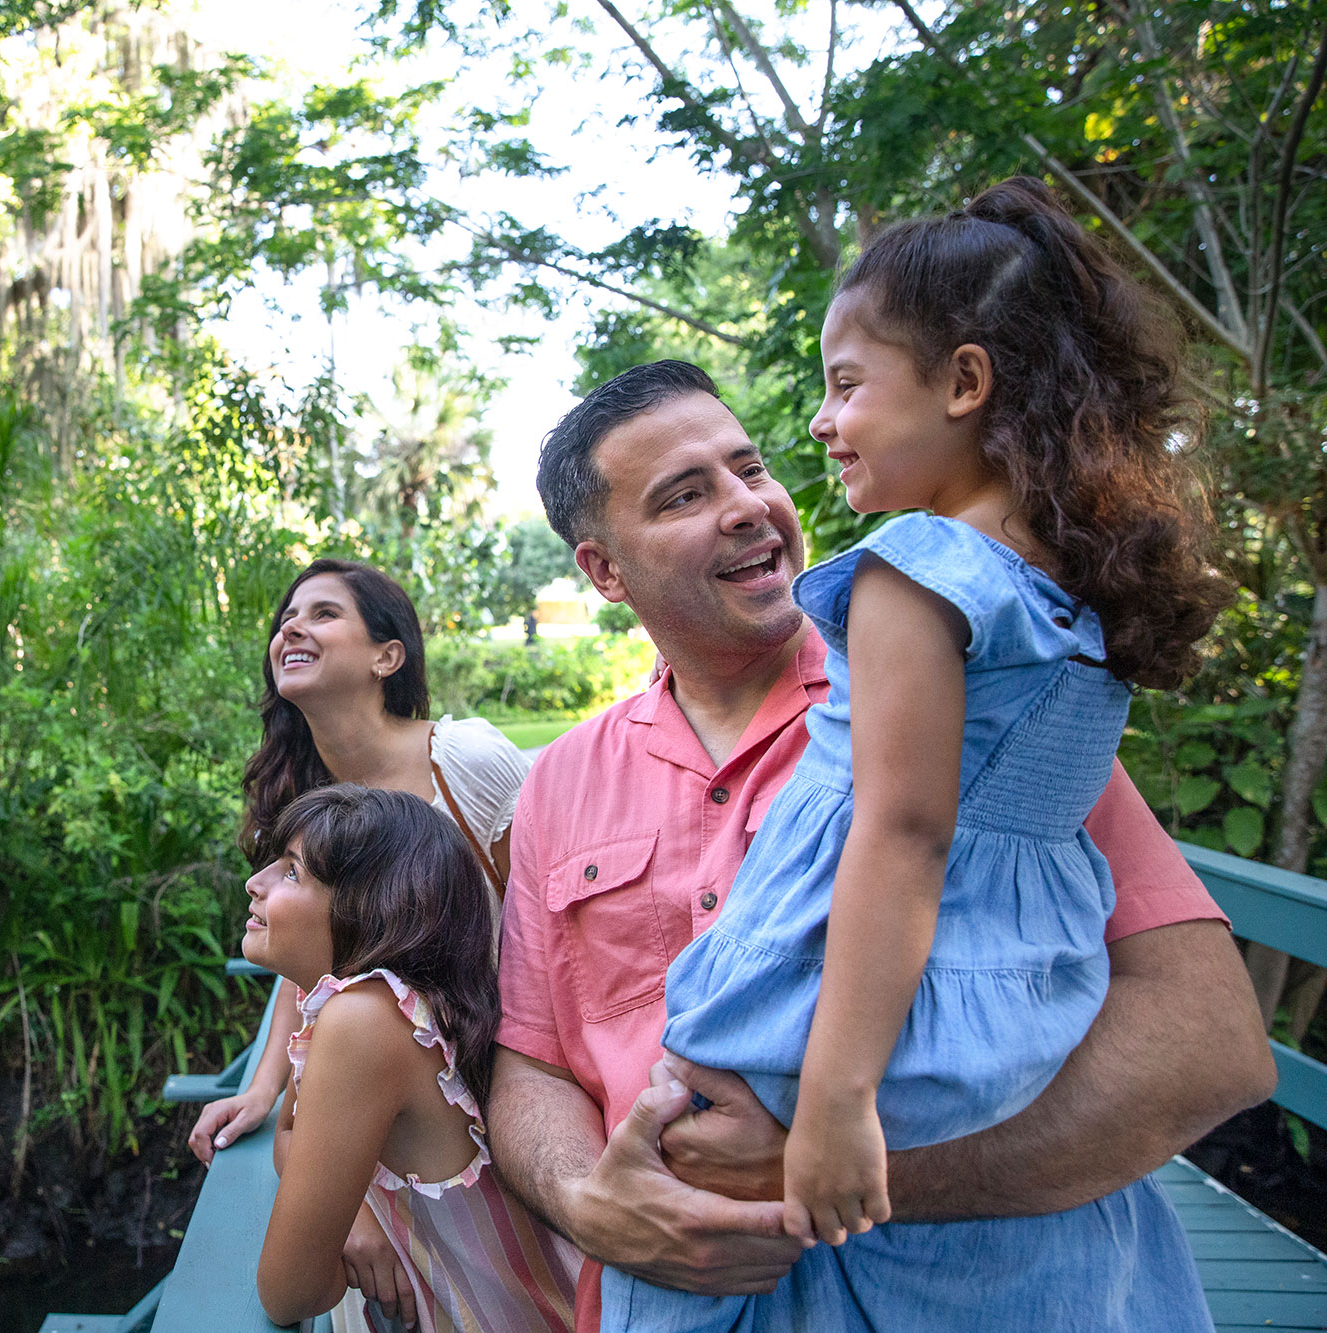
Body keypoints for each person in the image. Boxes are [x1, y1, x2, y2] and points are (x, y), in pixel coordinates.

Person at [487, 342, 1276, 1329]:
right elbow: (531, 1065)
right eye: (683, 494)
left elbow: (1209, 1045)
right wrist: (586, 1202)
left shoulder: (967, 694)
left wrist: (846, 1168)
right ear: (602, 568)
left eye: (749, 467)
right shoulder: (561, 779)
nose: (743, 503)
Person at [639, 180, 1236, 1327]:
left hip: (871, 1002)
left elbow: (903, 831)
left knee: (717, 1187)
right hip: (1016, 990)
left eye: (846, 384)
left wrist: (834, 1098)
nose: (819, 421)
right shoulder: (1069, 587)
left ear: (965, 384)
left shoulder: (914, 569)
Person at [190, 558, 530, 1323]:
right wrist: (263, 1086)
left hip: (493, 1085)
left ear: (388, 654)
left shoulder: (465, 761)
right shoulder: (307, 801)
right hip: (371, 1103)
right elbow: (314, 963)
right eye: (285, 617)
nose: (291, 627)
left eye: (322, 612)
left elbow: (550, 924)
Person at [248, 784, 581, 1331]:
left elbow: (289, 1293)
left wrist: (335, 1254)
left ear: (370, 906)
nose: (253, 884)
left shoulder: (364, 1023)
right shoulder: (397, 1008)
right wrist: (354, 1218)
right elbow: (289, 1132)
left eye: (291, 872)